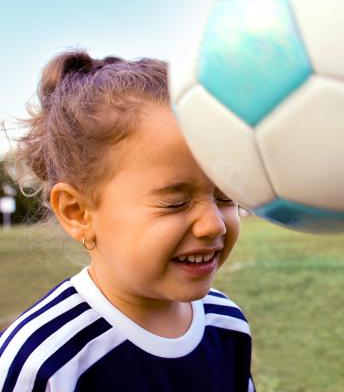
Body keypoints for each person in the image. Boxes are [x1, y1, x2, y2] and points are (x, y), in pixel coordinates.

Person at [0, 50, 255, 392]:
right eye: (175, 202)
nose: (214, 225)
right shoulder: (42, 362)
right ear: (78, 213)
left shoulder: (228, 325)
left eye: (225, 196)